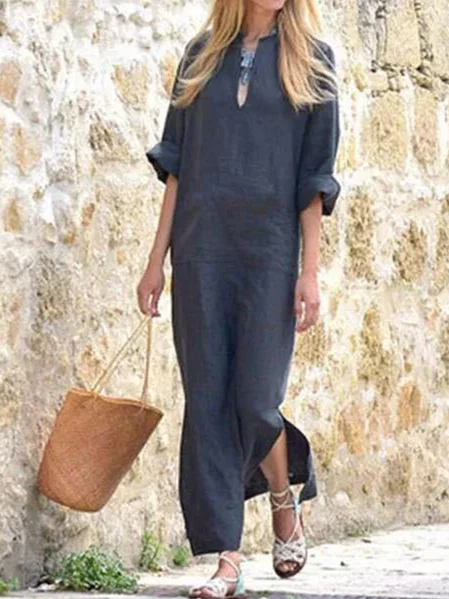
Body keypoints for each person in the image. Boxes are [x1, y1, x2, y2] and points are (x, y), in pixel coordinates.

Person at [137, 0, 341, 596]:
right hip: (199, 250)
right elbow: (176, 166)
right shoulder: (201, 57)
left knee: (255, 397)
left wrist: (309, 272)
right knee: (207, 401)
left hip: (270, 255)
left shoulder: (314, 61)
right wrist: (155, 261)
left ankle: (282, 493)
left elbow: (315, 180)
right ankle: (226, 559)